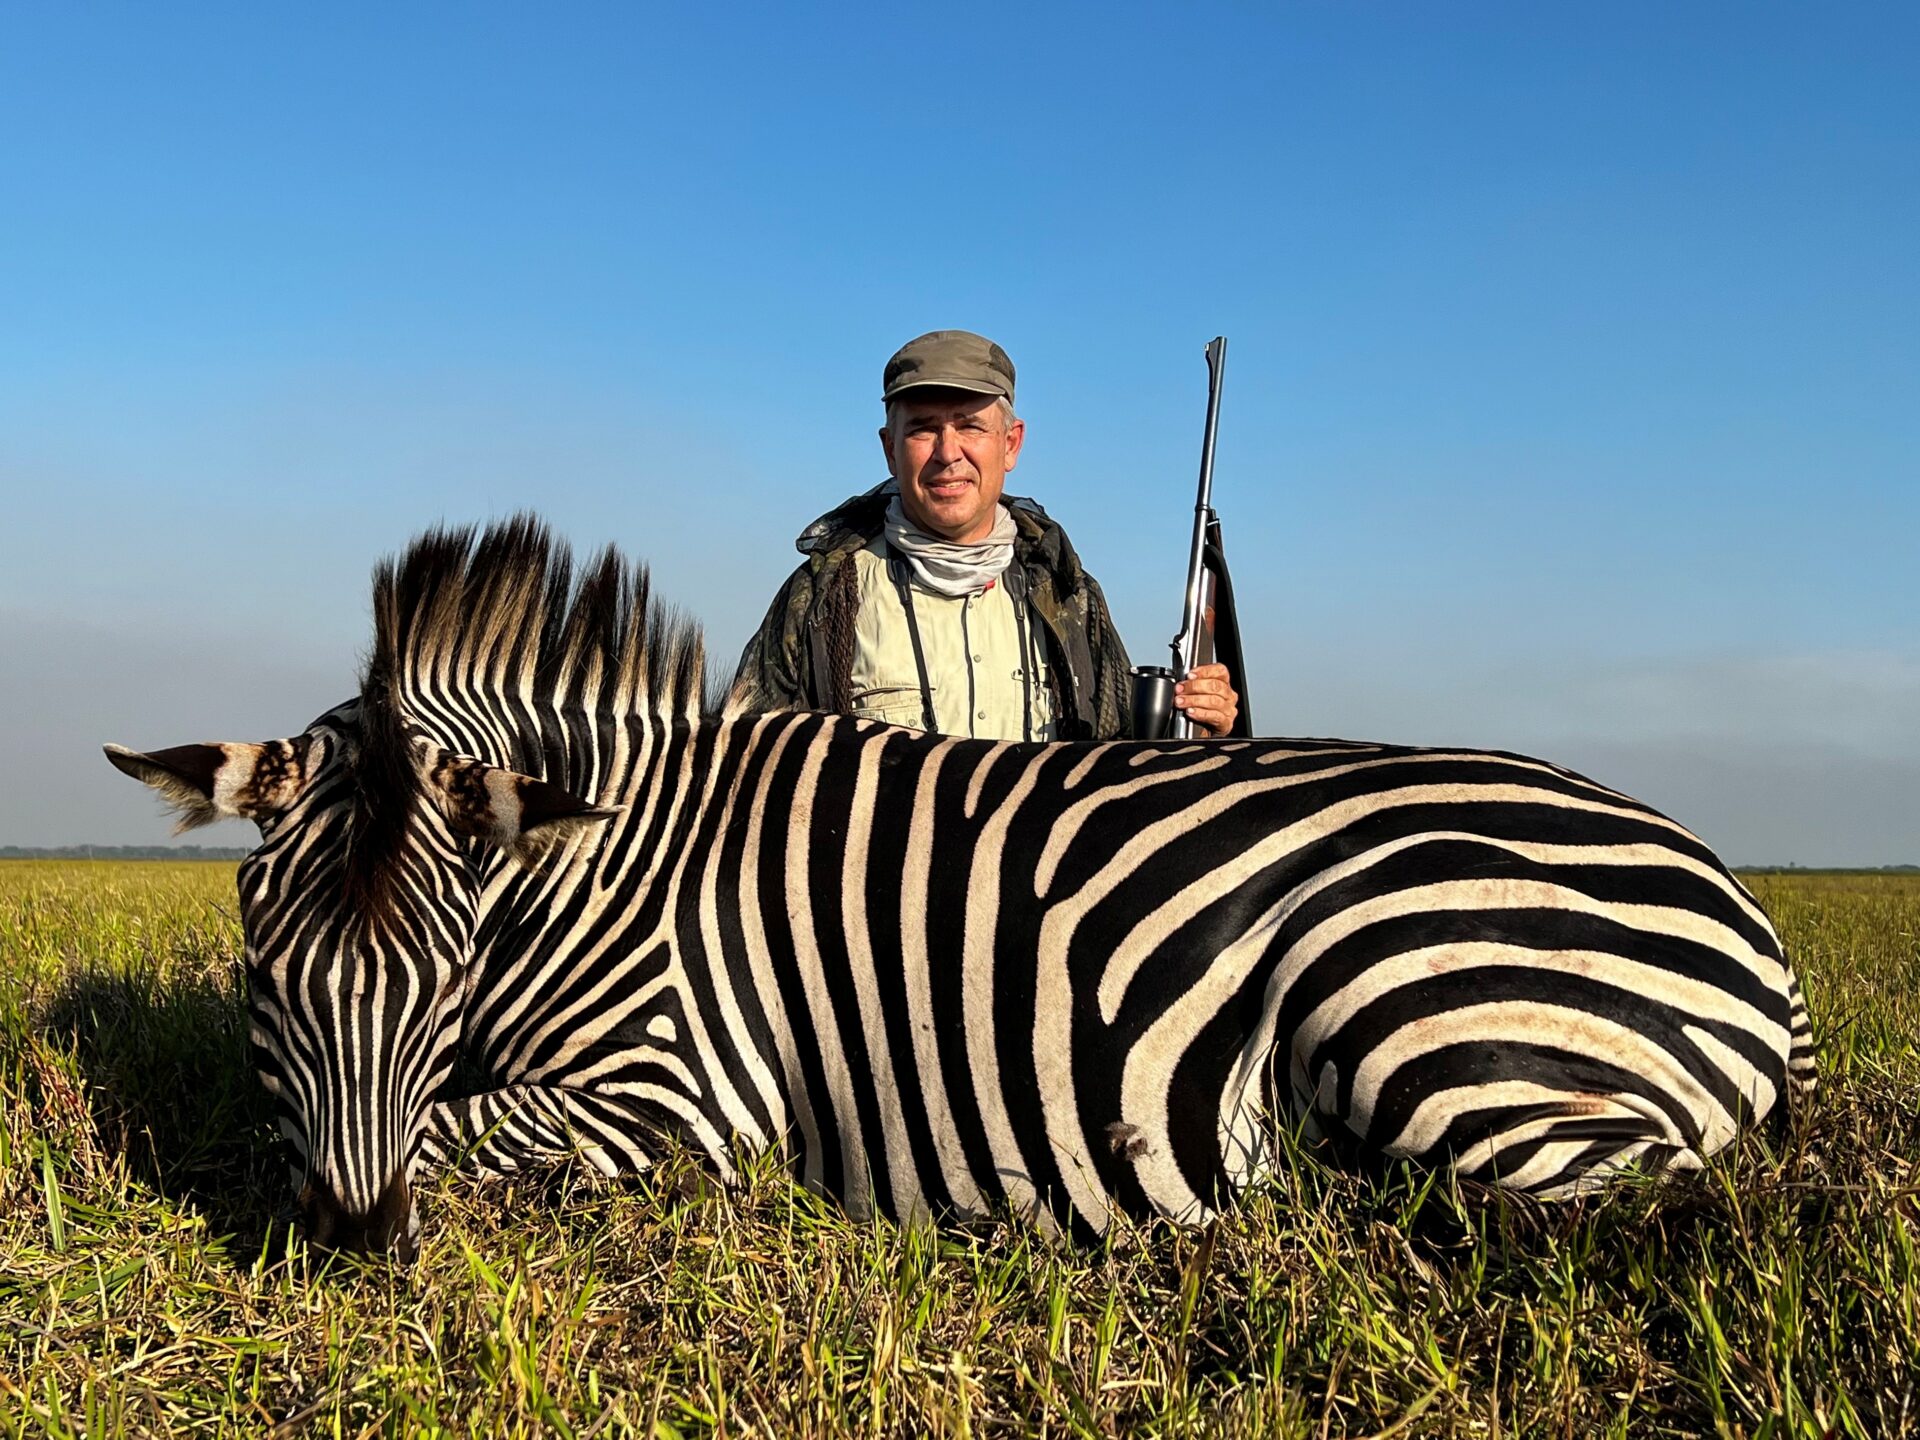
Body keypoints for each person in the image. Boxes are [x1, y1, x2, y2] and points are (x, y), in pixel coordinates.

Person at [736, 330, 1239, 740]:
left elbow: (1119, 773)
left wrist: (1203, 725)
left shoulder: (1067, 595)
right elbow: (741, 765)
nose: (948, 452)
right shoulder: (822, 599)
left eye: (971, 426)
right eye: (923, 429)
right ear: (891, 449)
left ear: (1011, 444)